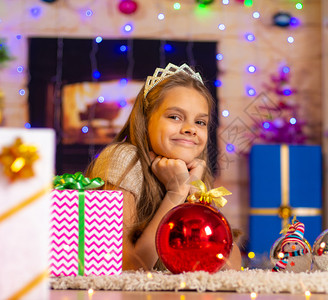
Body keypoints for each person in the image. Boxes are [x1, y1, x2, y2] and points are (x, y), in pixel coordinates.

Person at [86, 63, 242, 271]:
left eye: (200, 122)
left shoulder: (191, 171)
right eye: (175, 117)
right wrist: (175, 193)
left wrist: (194, 194)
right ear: (146, 119)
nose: (190, 129)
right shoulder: (123, 158)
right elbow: (128, 268)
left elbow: (230, 265)